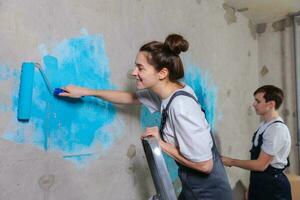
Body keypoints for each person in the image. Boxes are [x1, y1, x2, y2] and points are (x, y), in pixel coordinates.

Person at [60, 34, 232, 199]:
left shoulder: (181, 107)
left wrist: (160, 144)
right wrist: (86, 92)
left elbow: (205, 165)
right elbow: (130, 97)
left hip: (209, 193)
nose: (134, 72)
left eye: (140, 68)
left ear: (162, 73)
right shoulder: (168, 93)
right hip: (192, 187)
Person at [222, 85, 292, 200]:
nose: (254, 104)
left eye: (258, 101)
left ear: (271, 104)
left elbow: (260, 165)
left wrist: (231, 161)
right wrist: (252, 187)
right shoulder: (263, 125)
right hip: (260, 184)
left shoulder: (276, 129)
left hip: (274, 189)